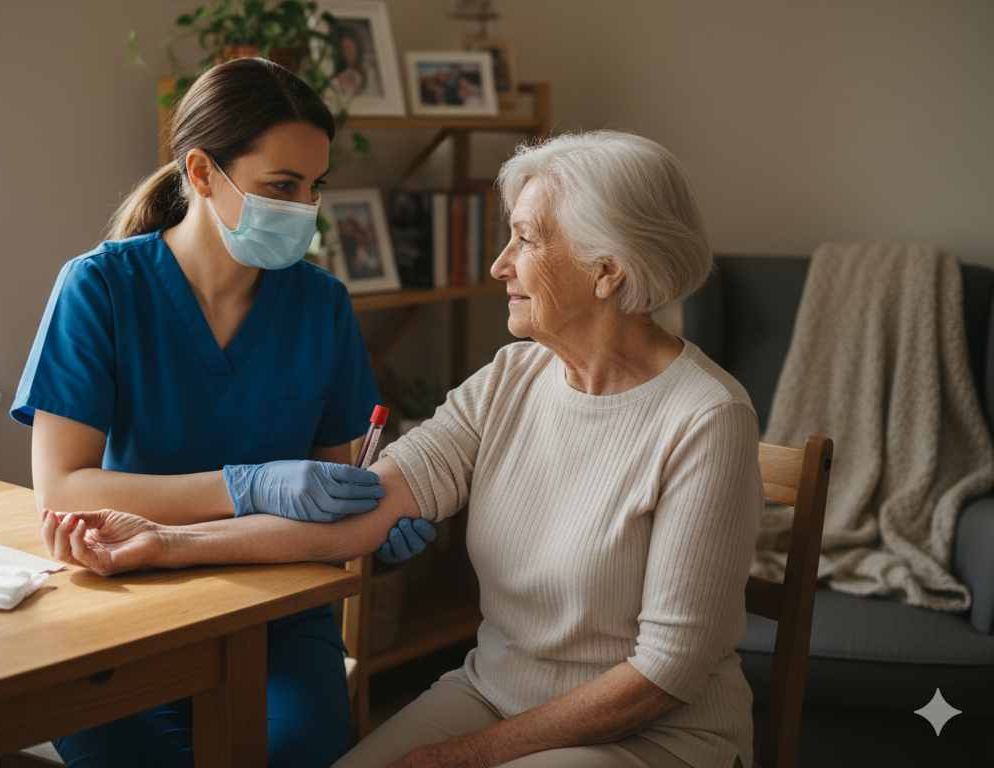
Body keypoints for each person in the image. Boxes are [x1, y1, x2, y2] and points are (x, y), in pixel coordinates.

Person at [47, 130, 764, 768]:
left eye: (525, 239)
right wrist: (167, 542)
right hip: (495, 693)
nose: (498, 265)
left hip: (647, 734)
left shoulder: (706, 418)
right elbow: (365, 511)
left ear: (607, 271)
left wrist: (466, 755)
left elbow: (666, 675)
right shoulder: (513, 378)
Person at [12, 57, 435, 768]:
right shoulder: (99, 291)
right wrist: (247, 485)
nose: (304, 209)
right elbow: (62, 489)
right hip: (122, 603)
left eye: (313, 187)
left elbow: (341, 482)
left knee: (296, 753)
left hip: (277, 613)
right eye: (281, 186)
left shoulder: (320, 305)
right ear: (202, 171)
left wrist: (386, 509)